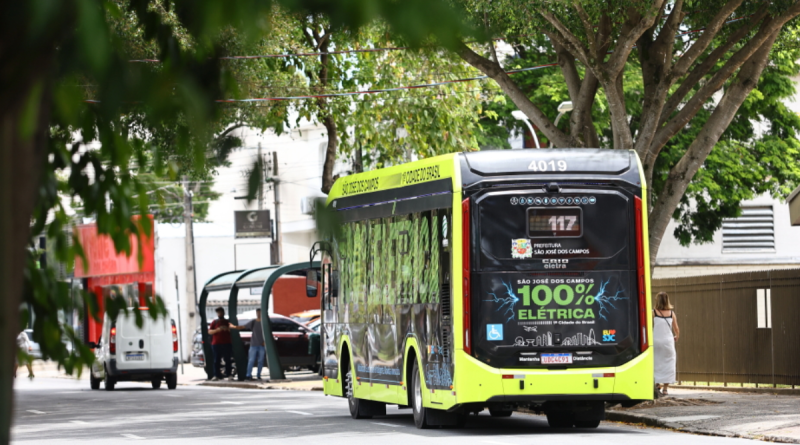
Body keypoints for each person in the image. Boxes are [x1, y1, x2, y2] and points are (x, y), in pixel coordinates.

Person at [653, 292, 680, 396]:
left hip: (656, 341)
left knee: (656, 362)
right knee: (669, 363)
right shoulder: (671, 313)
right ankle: (665, 389)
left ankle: (656, 383)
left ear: (657, 300)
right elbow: (676, 328)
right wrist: (677, 336)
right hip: (668, 341)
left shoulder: (653, 312)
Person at [230, 309, 266, 381]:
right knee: (251, 361)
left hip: (262, 345)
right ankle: (248, 375)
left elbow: (269, 332)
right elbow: (243, 327)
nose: (258, 314)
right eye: (257, 313)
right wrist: (234, 327)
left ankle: (258, 375)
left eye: (260, 313)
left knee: (261, 361)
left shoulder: (265, 322)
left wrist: (265, 341)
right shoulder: (253, 322)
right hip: (253, 344)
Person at [208, 307, 233, 381]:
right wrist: (218, 329)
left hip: (227, 343)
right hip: (216, 343)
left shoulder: (227, 321)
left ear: (223, 313)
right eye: (218, 312)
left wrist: (226, 328)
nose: (219, 314)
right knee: (216, 360)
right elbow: (209, 332)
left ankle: (229, 374)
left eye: (221, 312)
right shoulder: (214, 322)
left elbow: (232, 331)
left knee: (227, 359)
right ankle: (216, 375)